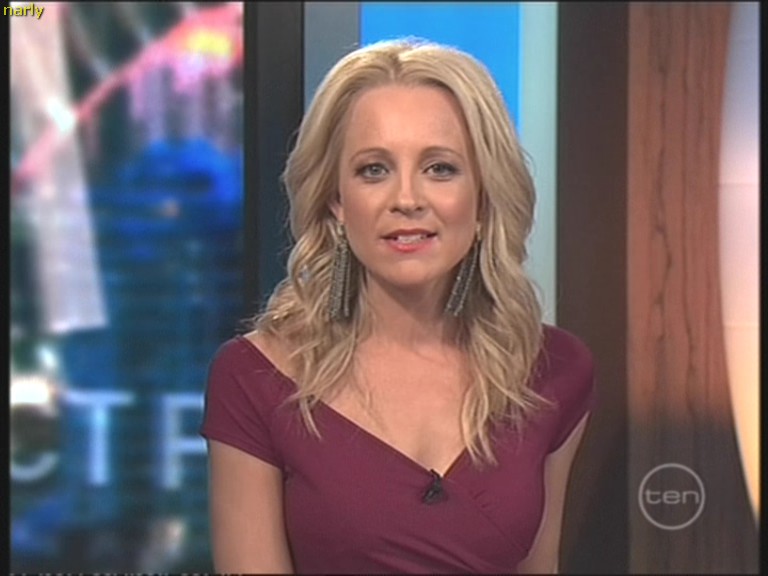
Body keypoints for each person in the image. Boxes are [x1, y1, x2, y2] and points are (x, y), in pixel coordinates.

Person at [200, 37, 596, 574]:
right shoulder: (254, 378)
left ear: (483, 198)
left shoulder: (554, 371)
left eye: (440, 169)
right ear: (336, 201)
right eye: (373, 170)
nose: (406, 199)